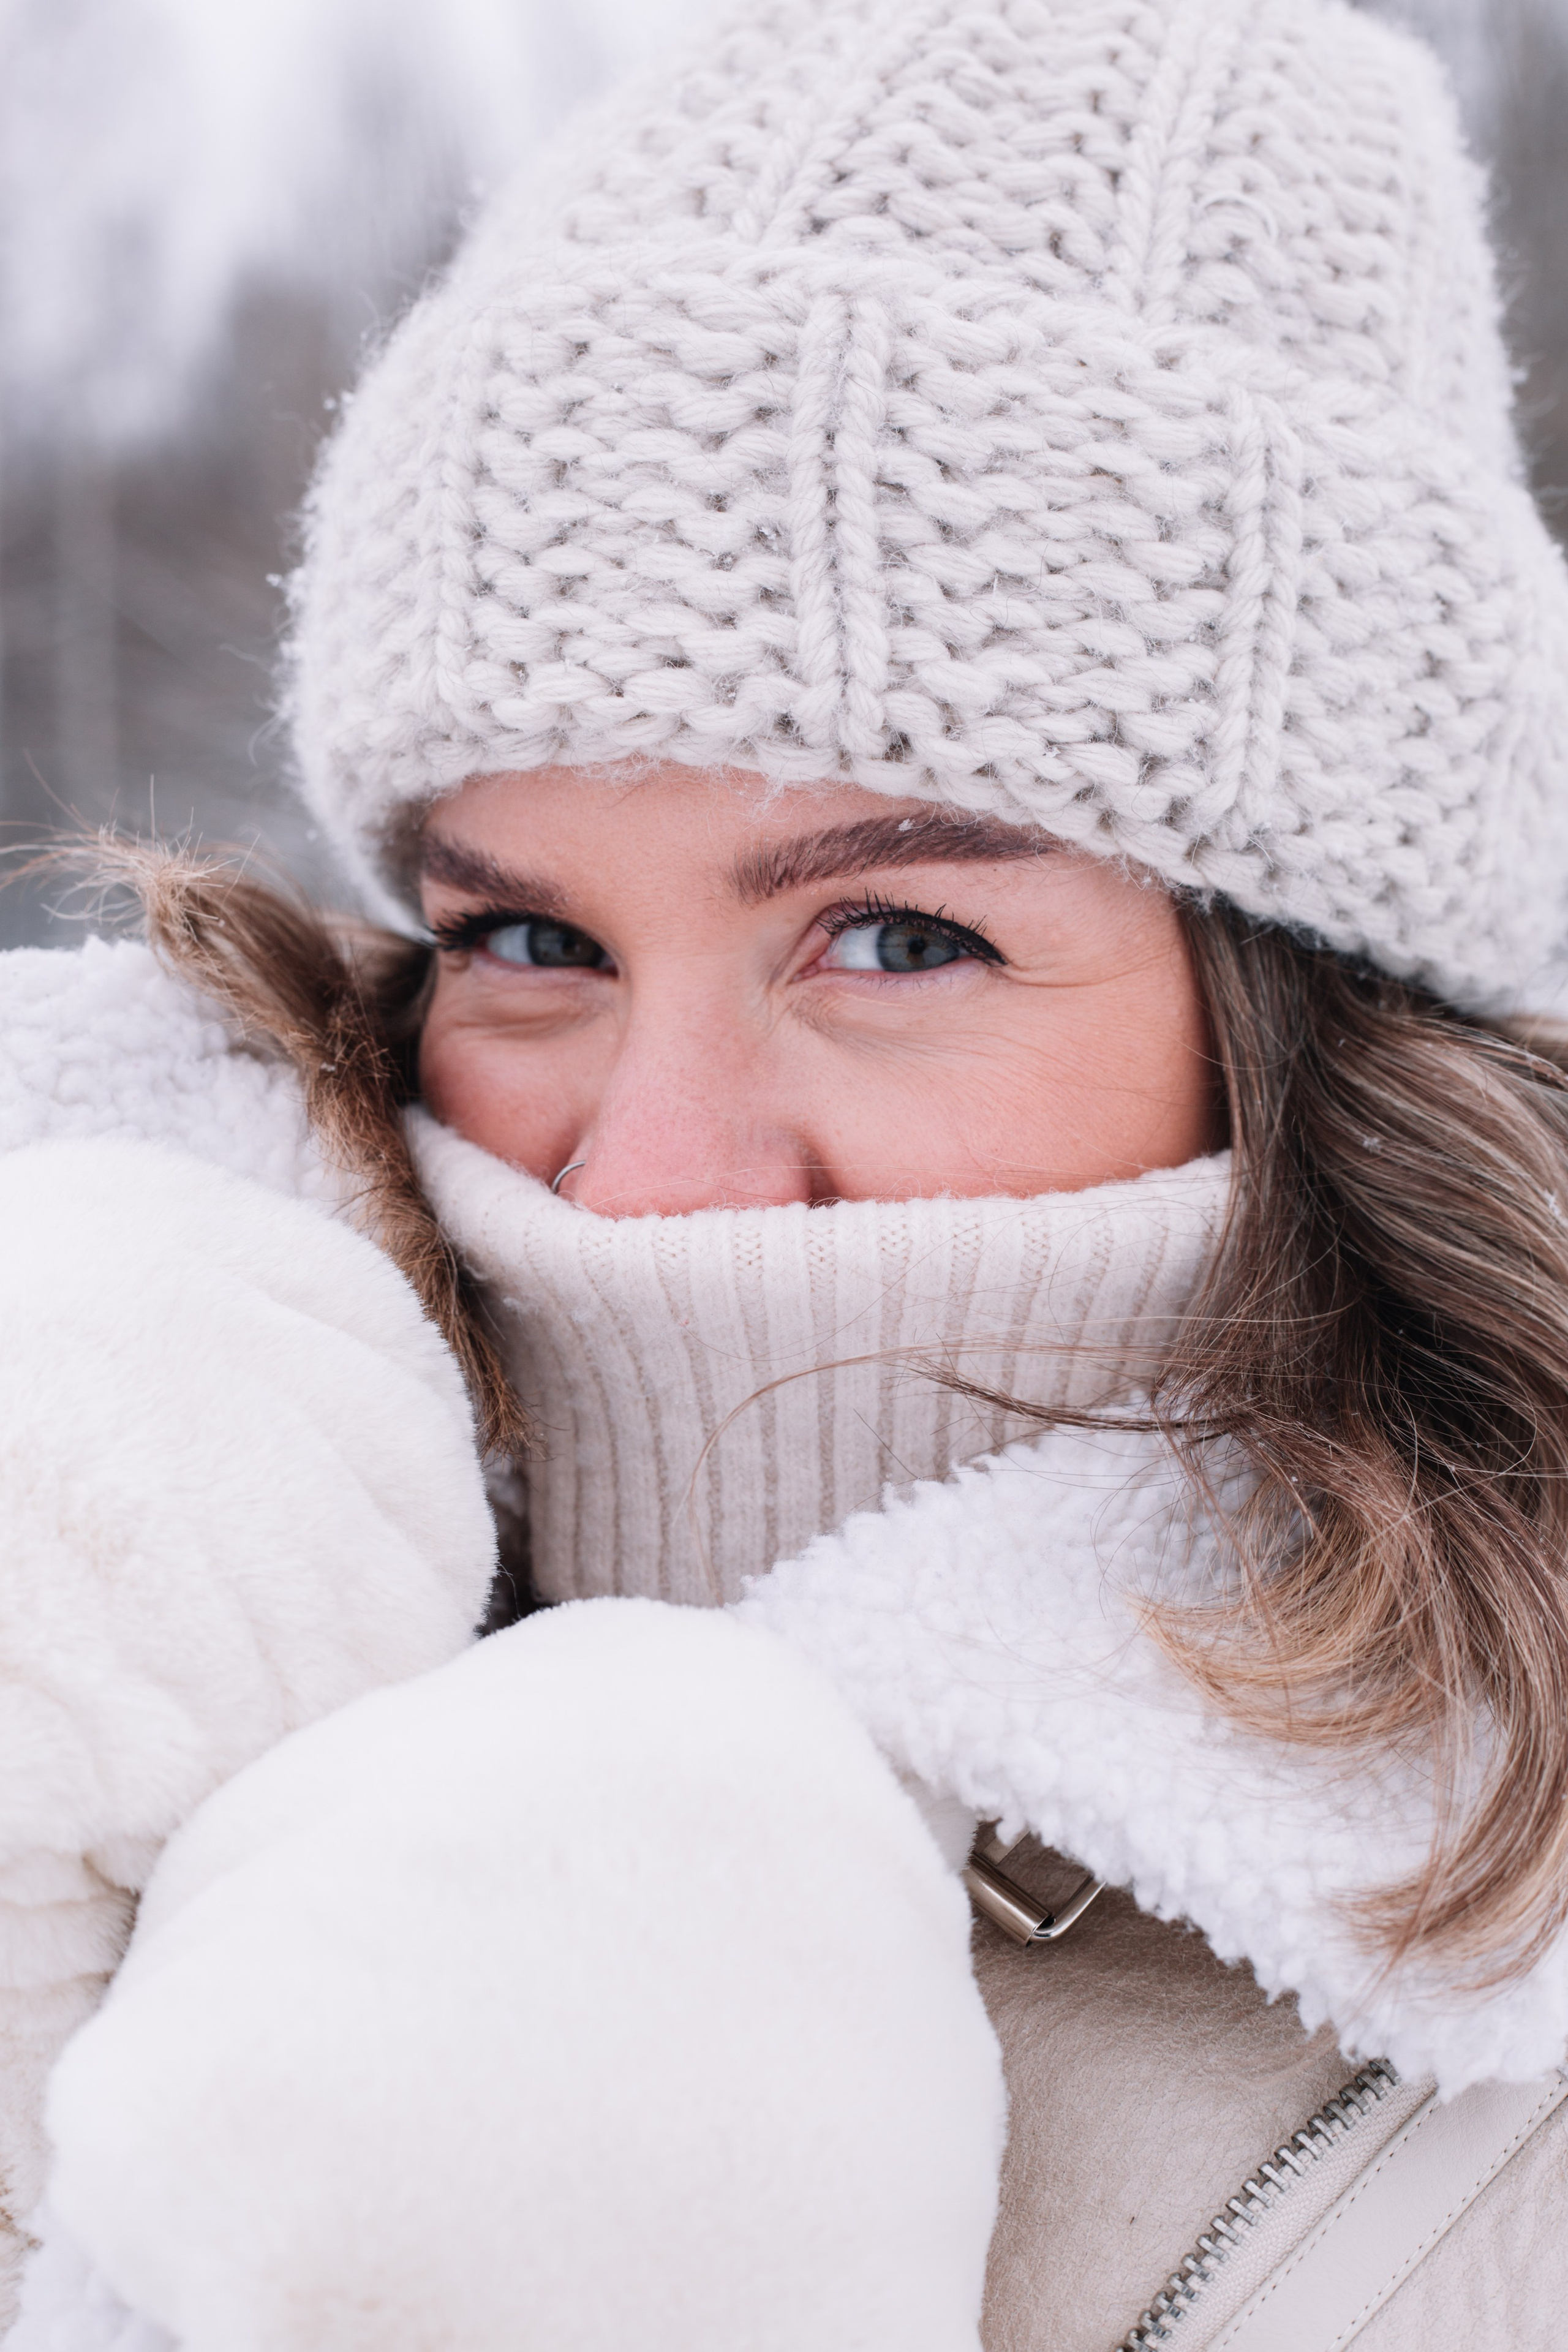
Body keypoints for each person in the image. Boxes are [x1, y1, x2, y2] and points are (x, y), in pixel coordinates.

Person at [4, 0, 1568, 2342]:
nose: (648, 1175)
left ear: (1310, 1014)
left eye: (900, 935)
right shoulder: (111, 1559)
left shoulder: (1503, 2019)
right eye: (530, 937)